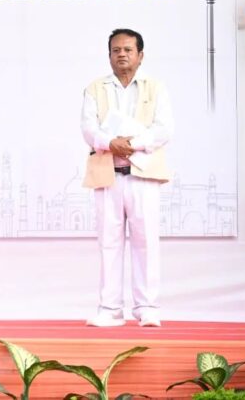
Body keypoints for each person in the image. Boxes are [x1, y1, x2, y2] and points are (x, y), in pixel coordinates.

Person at [80, 28, 173, 328]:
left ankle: (147, 307)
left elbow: (164, 128)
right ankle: (110, 309)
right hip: (108, 173)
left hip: (143, 174)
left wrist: (133, 143)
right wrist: (110, 143)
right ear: (109, 55)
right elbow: (88, 128)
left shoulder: (155, 88)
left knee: (146, 242)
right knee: (109, 243)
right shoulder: (95, 88)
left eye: (128, 50)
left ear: (140, 55)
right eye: (116, 50)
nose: (122, 54)